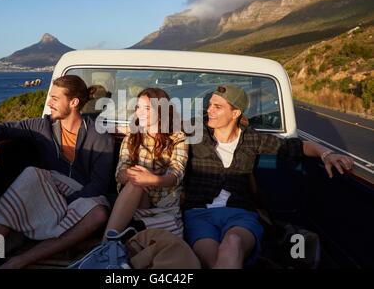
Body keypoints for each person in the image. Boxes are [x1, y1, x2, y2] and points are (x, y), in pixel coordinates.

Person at [0, 75, 115, 269]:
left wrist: (64, 203)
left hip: (83, 198)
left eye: (55, 98)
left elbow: (99, 184)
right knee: (32, 175)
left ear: (74, 102)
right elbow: (0, 127)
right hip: (50, 190)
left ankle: (20, 260)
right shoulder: (41, 127)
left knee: (99, 214)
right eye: (49, 97)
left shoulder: (100, 137)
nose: (49, 103)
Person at [183, 84, 354, 269]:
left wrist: (326, 154)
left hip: (240, 214)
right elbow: (161, 133)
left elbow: (297, 146)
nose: (209, 110)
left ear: (235, 113)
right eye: (209, 105)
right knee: (213, 258)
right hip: (199, 214)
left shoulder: (252, 138)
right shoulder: (195, 132)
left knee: (233, 243)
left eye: (217, 107)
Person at [104, 88, 188, 238]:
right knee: (136, 182)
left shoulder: (177, 137)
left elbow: (177, 173)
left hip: (164, 202)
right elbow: (120, 172)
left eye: (147, 108)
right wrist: (137, 175)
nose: (140, 112)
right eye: (138, 107)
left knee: (139, 181)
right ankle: (107, 242)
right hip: (136, 200)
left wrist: (153, 179)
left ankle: (111, 240)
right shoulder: (132, 136)